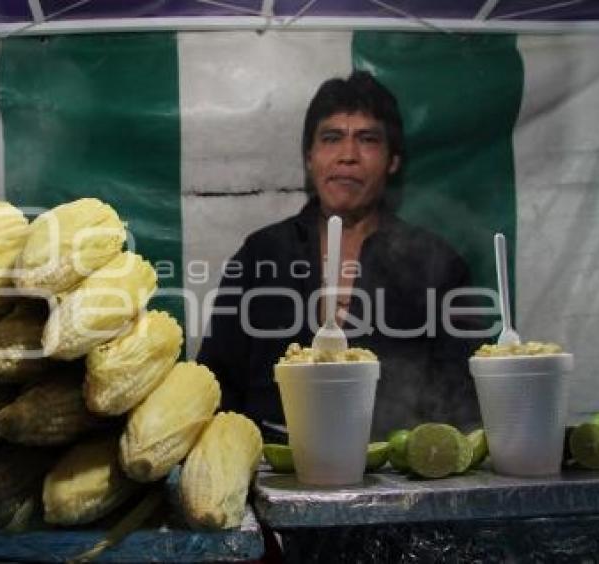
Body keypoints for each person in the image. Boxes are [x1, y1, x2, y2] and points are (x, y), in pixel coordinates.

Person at [196, 70, 485, 440]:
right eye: (331, 138)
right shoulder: (261, 254)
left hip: (391, 474)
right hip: (269, 466)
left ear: (393, 160)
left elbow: (462, 395)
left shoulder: (437, 265)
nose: (348, 156)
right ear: (309, 158)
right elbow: (217, 381)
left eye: (367, 140)